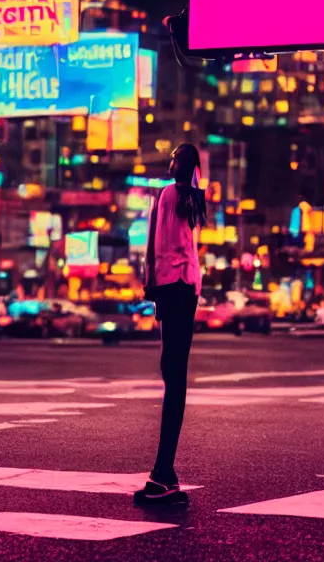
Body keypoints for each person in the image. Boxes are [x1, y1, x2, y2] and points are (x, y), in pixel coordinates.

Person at [134, 143, 206, 506]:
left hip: (174, 288)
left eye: (178, 158)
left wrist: (151, 282)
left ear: (187, 166)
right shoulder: (190, 199)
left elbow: (154, 245)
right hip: (183, 288)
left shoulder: (171, 195)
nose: (172, 161)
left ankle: (164, 474)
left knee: (172, 374)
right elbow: (173, 248)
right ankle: (165, 472)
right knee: (174, 374)